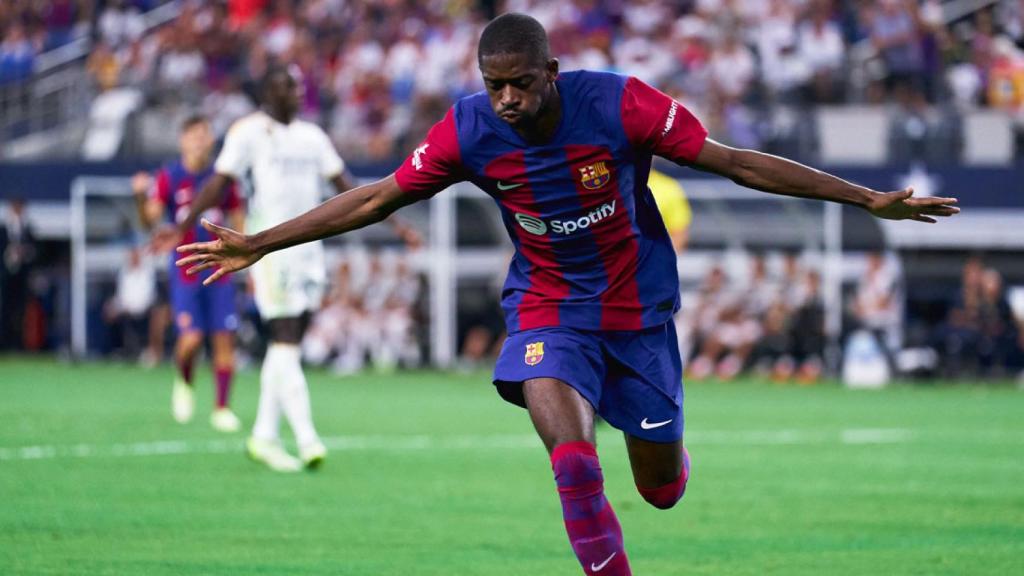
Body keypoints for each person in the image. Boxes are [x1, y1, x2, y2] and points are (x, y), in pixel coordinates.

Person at [175, 13, 959, 574]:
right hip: (548, 308)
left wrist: (865, 199)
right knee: (573, 460)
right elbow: (379, 196)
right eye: (494, 86)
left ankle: (665, 446)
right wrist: (261, 241)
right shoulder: (468, 130)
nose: (507, 100)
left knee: (660, 491)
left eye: (520, 84)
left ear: (550, 73)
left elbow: (735, 162)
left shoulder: (620, 104)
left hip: (636, 310)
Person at [162, 65, 354, 472]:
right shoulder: (247, 132)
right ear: (268, 92)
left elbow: (347, 188)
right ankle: (307, 438)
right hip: (267, 248)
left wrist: (395, 223)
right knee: (285, 340)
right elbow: (218, 183)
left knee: (289, 345)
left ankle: (264, 435)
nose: (297, 92)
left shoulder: (313, 137)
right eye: (288, 86)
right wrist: (184, 223)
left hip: (310, 251)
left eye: (299, 86)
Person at [133, 114, 245, 433]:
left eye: (204, 135)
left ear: (211, 141)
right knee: (191, 339)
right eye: (193, 135)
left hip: (221, 269)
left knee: (224, 339)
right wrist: (139, 195)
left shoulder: (223, 177)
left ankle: (222, 408)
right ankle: (184, 380)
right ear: (183, 140)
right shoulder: (169, 177)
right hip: (186, 270)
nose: (199, 141)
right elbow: (150, 221)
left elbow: (239, 219)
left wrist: (246, 256)